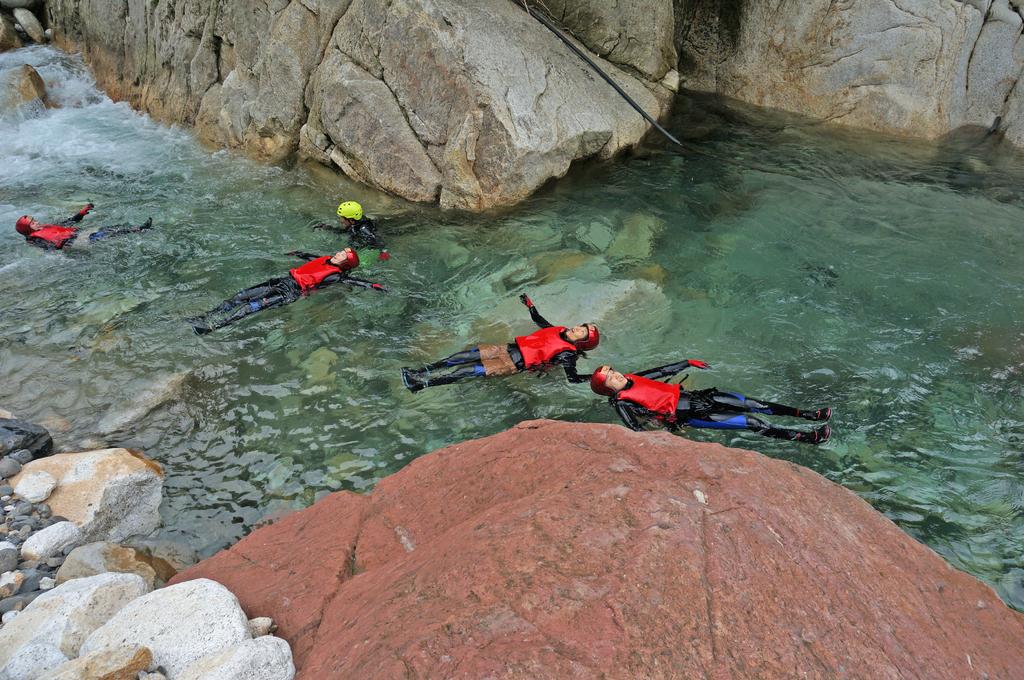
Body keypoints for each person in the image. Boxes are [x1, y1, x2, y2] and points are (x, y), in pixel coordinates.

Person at [591, 362, 832, 444]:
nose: (616, 375)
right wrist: (667, 433)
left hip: (701, 397)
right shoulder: (622, 403)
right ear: (607, 388)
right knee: (752, 421)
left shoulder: (634, 378)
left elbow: (662, 370)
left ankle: (808, 415)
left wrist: (687, 362)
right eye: (610, 377)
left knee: (754, 404)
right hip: (692, 415)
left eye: (613, 371)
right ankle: (806, 438)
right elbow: (635, 428)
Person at [401, 293, 599, 392]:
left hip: (511, 364)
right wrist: (531, 306)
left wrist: (596, 377)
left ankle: (420, 385)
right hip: (505, 348)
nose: (577, 328)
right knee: (460, 357)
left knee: (465, 371)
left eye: (582, 332)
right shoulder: (559, 330)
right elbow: (540, 322)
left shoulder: (568, 354)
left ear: (583, 341)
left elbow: (572, 378)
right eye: (581, 326)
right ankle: (420, 371)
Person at [189, 248, 386, 335]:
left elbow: (354, 280)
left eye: (342, 255)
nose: (338, 254)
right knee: (240, 297)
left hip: (289, 292)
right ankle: (206, 316)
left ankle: (213, 328)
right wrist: (299, 253)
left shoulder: (336, 275)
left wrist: (372, 286)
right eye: (340, 251)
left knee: (250, 308)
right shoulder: (327, 259)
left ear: (345, 263)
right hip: (281, 281)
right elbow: (312, 257)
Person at [15, 203, 153, 250]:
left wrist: (81, 213)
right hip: (74, 242)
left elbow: (68, 223)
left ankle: (138, 229)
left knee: (111, 228)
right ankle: (140, 230)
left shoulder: (44, 227)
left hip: (78, 235)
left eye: (35, 220)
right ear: (28, 229)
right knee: (107, 234)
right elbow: (51, 249)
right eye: (33, 223)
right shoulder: (33, 239)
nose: (37, 222)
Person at [313, 200, 390, 260]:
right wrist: (328, 228)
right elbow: (343, 231)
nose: (341, 220)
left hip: (366, 247)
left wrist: (383, 252)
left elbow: (378, 241)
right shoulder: (355, 223)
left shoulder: (364, 230)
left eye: (342, 218)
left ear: (351, 220)